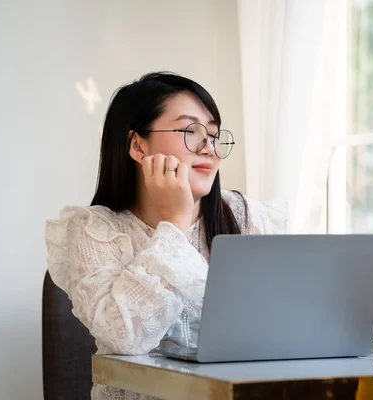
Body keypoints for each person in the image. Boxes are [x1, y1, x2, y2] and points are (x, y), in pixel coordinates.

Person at [45, 72, 285, 400]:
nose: (209, 148)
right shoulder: (93, 230)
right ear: (137, 146)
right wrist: (175, 223)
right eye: (190, 131)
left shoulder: (248, 217)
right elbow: (125, 337)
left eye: (214, 135)